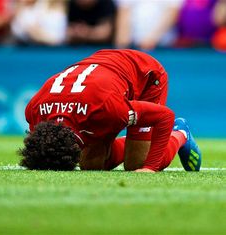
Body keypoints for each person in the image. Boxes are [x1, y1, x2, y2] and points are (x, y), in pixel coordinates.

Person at [19, 49, 201, 172]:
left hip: (144, 73)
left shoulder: (107, 109)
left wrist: (150, 168)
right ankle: (132, 142)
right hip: (101, 81)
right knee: (91, 165)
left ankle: (181, 132)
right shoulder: (34, 111)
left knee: (137, 162)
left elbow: (164, 116)